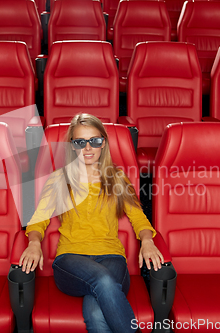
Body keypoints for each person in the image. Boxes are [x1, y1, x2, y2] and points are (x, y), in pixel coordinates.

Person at [19, 113, 164, 333]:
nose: (88, 148)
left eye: (94, 141)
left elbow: (138, 217)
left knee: (96, 313)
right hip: (70, 259)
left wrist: (147, 241)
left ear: (103, 143)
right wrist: (34, 243)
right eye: (80, 142)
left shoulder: (117, 178)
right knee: (104, 281)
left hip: (111, 256)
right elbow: (39, 219)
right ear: (72, 146)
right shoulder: (59, 179)